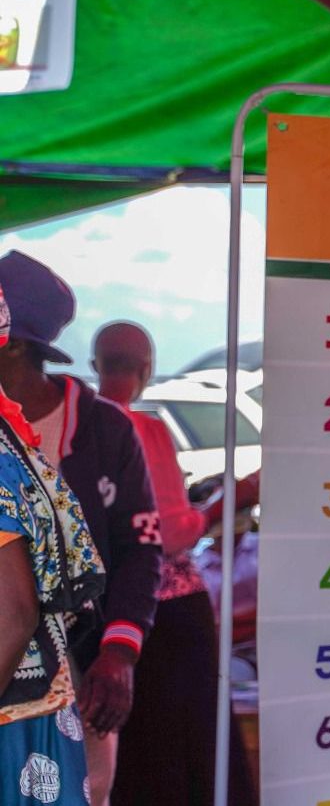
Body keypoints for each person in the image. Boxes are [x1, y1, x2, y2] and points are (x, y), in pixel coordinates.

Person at [0, 252, 161, 806]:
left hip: (76, 667)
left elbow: (141, 549)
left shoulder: (102, 429)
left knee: (85, 792)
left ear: (15, 342)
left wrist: (119, 652)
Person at [91, 321, 249, 806]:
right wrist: (233, 499)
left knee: (131, 756)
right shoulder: (142, 429)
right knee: (188, 750)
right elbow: (172, 532)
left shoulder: (73, 429)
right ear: (146, 369)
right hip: (165, 613)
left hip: (101, 614)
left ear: (96, 367)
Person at [0, 284, 105, 806]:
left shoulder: (4, 447)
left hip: (16, 719)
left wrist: (121, 650)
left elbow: (12, 615)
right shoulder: (10, 438)